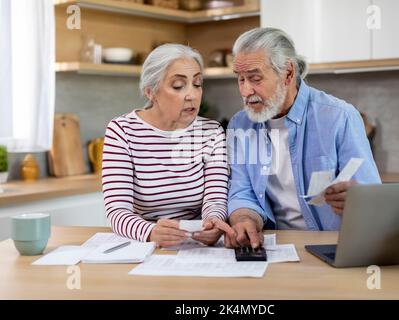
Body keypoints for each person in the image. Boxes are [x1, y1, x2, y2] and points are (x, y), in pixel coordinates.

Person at [225, 28, 381, 248]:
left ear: (288, 73)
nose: (245, 90)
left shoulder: (339, 117)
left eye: (255, 78)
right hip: (274, 245)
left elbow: (373, 197)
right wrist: (244, 219)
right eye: (240, 79)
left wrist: (359, 200)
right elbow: (242, 190)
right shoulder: (240, 125)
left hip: (333, 245)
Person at [102, 44, 234, 247]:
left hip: (195, 243)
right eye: (179, 86)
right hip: (145, 244)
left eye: (197, 84)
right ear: (151, 92)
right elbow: (117, 211)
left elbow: (215, 199)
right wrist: (151, 232)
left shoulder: (211, 132)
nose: (192, 95)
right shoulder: (122, 131)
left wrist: (213, 222)